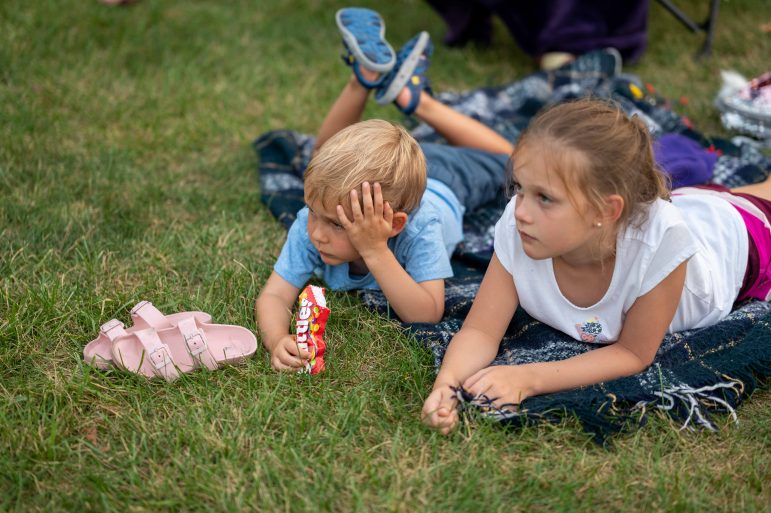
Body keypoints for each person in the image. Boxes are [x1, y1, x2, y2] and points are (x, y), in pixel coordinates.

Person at [422, 98, 771, 434]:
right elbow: (481, 331)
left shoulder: (662, 244)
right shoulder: (522, 224)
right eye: (519, 188)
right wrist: (447, 385)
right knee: (715, 198)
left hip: (743, 241)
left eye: (545, 197)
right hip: (683, 209)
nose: (521, 210)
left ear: (606, 211)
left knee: (747, 200)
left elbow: (633, 353)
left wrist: (528, 378)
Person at [255, 7, 513, 371]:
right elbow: (275, 294)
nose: (316, 233)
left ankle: (416, 100)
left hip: (448, 181)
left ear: (393, 225)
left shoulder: (420, 230)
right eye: (313, 212)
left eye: (338, 224)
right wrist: (276, 338)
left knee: (515, 161)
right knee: (320, 158)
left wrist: (375, 252)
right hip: (396, 177)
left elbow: (428, 312)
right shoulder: (312, 225)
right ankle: (364, 76)